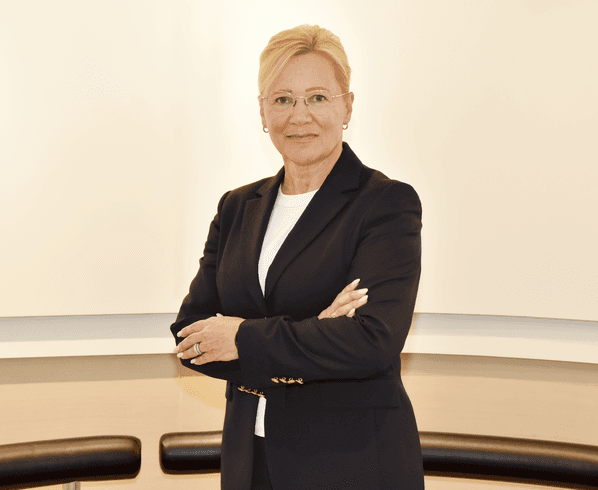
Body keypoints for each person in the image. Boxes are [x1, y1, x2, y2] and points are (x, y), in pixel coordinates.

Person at [171, 24, 424, 490]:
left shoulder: (385, 204)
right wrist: (315, 332)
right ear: (263, 112)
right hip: (250, 461)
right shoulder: (236, 207)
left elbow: (372, 341)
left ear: (347, 107)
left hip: (351, 464)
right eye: (283, 99)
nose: (299, 115)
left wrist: (242, 338)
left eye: (317, 98)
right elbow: (190, 335)